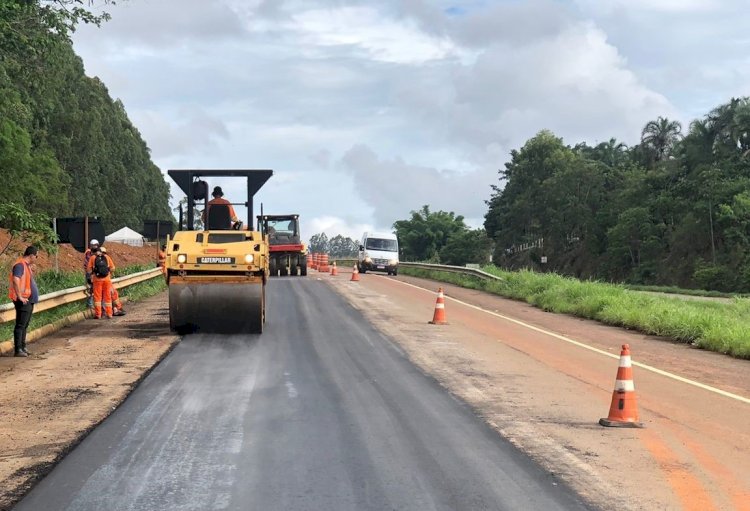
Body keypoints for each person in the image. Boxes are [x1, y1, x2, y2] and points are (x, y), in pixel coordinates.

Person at [9, 246, 39, 357]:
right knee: (20, 325)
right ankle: (18, 349)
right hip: (23, 300)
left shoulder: (26, 266)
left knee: (25, 325)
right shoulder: (20, 265)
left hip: (28, 300)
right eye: (36, 256)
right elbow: (16, 279)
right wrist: (20, 296)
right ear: (31, 255)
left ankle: (22, 347)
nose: (36, 258)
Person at [87, 245, 116, 319]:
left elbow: (88, 270)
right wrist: (107, 272)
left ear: (94, 252)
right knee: (108, 297)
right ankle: (109, 314)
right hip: (107, 280)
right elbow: (113, 268)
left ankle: (98, 315)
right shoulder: (107, 257)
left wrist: (92, 274)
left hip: (97, 280)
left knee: (97, 298)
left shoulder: (92, 258)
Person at [83, 239, 99, 310]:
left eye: (96, 245)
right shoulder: (88, 252)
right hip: (90, 274)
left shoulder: (96, 253)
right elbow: (89, 264)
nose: (95, 247)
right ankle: (90, 304)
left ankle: (95, 303)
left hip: (95, 273)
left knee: (95, 289)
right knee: (90, 288)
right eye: (94, 245)